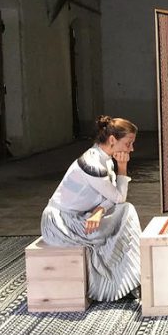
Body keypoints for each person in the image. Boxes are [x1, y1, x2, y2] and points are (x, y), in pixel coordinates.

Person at [40, 115, 141, 302]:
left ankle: (129, 278)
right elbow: (118, 197)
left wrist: (100, 210)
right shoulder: (92, 165)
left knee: (126, 212)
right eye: (128, 143)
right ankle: (118, 283)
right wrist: (123, 166)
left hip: (82, 217)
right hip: (62, 223)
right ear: (112, 140)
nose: (131, 149)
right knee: (124, 215)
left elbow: (111, 197)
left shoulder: (104, 159)